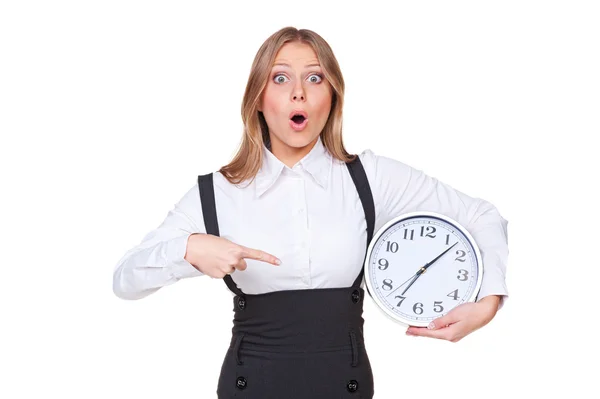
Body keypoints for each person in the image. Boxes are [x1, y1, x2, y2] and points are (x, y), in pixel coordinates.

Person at [113, 26, 509, 399]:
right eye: (281, 78)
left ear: (332, 97)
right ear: (258, 99)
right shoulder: (216, 192)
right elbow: (124, 280)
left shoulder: (370, 177)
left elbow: (482, 216)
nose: (298, 93)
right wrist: (188, 249)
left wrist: (488, 302)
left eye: (315, 78)